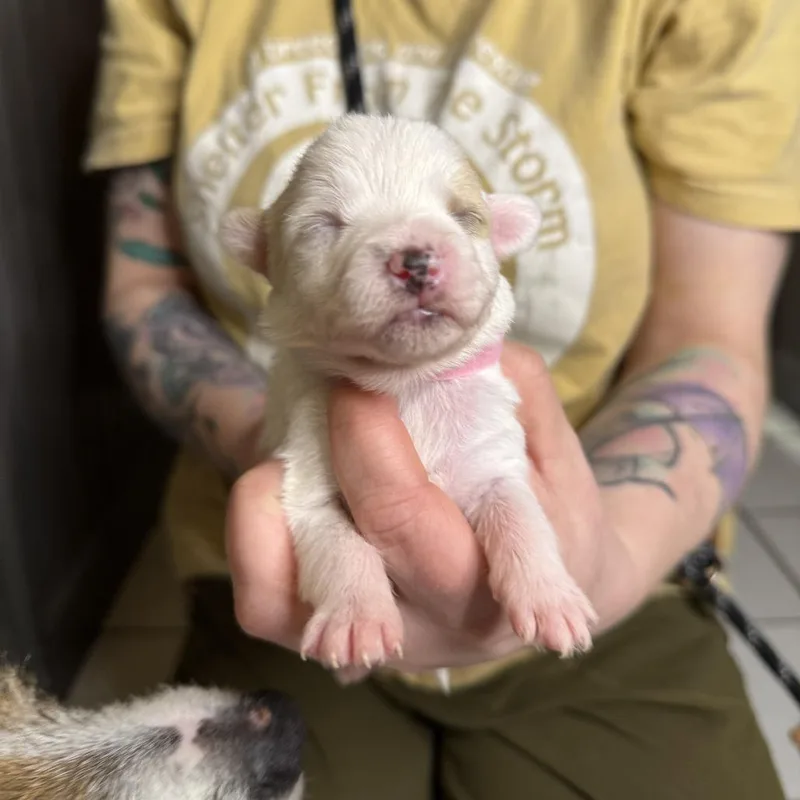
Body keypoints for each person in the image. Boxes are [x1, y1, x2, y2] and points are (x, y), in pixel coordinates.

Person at [84, 1, 800, 797]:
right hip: (278, 598)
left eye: (455, 218)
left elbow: (515, 478)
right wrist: (347, 582)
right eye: (327, 228)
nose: (414, 256)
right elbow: (307, 505)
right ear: (265, 257)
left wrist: (596, 567)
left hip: (627, 563)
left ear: (498, 235)